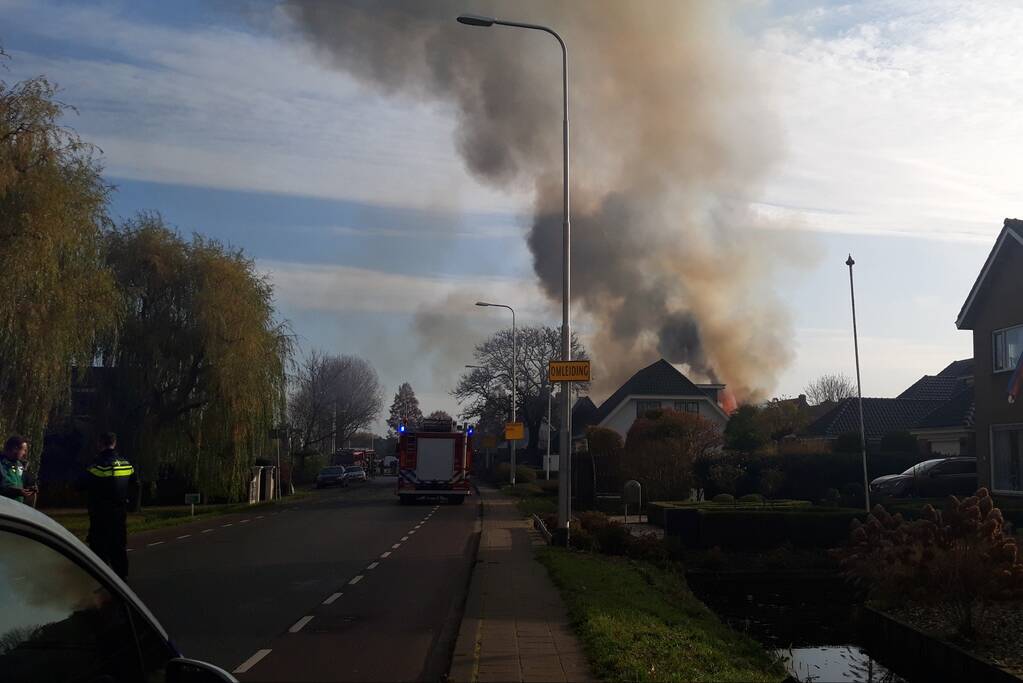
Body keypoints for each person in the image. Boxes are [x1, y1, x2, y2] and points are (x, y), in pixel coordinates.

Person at [86, 432, 135, 580]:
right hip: (120, 514)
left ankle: (102, 580)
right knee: (119, 547)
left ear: (100, 443)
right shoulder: (126, 464)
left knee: (99, 548)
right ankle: (122, 579)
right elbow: (134, 483)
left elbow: (80, 484)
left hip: (100, 514)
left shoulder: (98, 465)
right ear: (115, 443)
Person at [0, 435, 35, 503]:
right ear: (15, 449)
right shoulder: (1, 464)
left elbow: (23, 483)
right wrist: (15, 491)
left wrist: (30, 488)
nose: (25, 453)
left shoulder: (20, 465)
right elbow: (3, 486)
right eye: (24, 450)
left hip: (17, 509)